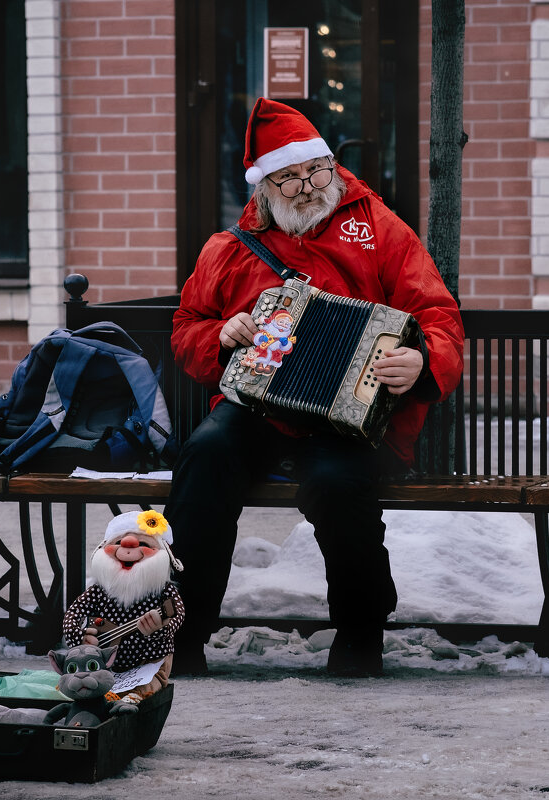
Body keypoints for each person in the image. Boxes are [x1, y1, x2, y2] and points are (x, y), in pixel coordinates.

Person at [164, 97, 464, 677]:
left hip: (348, 413)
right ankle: (182, 634)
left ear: (330, 165)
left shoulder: (378, 228)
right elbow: (185, 329)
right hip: (256, 406)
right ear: (263, 186)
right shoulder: (227, 249)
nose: (306, 187)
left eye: (315, 171)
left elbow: (437, 316)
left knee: (335, 480)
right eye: (289, 177)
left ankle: (360, 634)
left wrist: (420, 364)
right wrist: (220, 336)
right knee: (205, 455)